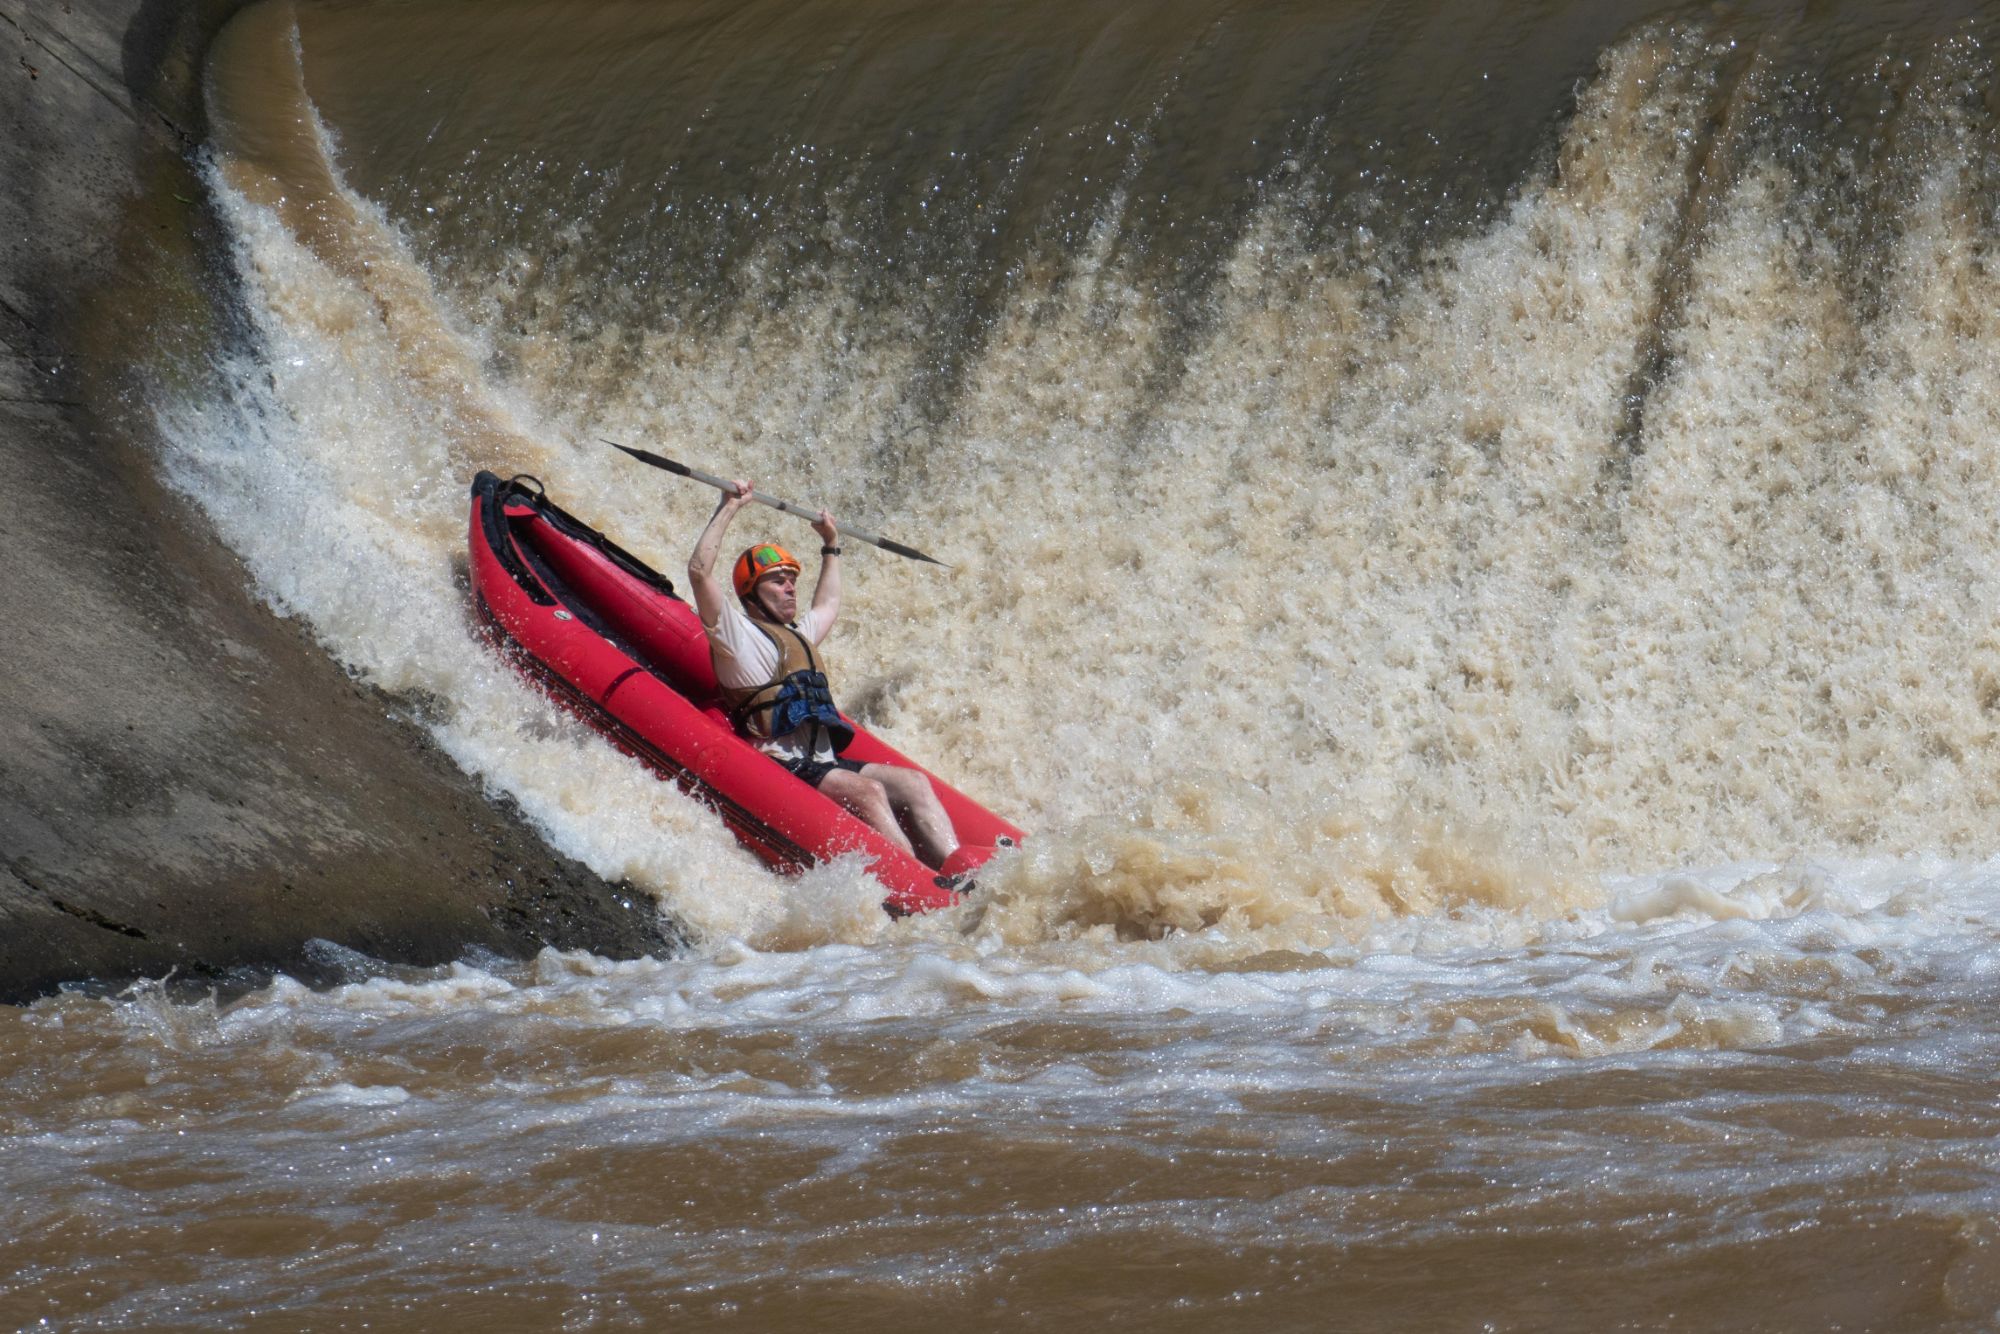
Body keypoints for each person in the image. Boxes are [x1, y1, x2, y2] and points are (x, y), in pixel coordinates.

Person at [686, 479, 961, 870]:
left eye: (793, 581)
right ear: (751, 591)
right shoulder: (735, 634)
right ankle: (917, 878)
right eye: (778, 581)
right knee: (868, 792)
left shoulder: (799, 635)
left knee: (913, 783)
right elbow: (699, 571)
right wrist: (729, 507)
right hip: (777, 762)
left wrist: (830, 544)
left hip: (821, 760)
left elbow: (829, 603)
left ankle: (956, 869)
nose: (790, 589)